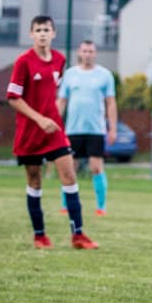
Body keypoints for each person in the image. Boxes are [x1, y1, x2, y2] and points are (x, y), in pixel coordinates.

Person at [6, 15, 98, 250]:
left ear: (53, 33)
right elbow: (13, 98)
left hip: (53, 130)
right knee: (34, 181)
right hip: (30, 132)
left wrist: (51, 117)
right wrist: (39, 119)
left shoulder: (59, 59)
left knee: (69, 176)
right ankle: (40, 236)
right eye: (38, 30)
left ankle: (78, 235)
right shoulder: (23, 62)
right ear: (31, 34)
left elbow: (51, 93)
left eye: (46, 30)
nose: (42, 34)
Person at [57, 40, 117, 216]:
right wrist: (54, 124)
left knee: (96, 167)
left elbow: (111, 103)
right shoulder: (70, 75)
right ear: (79, 53)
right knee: (70, 167)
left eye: (91, 51)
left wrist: (112, 129)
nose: (88, 54)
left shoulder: (105, 75)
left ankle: (101, 207)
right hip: (73, 129)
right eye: (85, 51)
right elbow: (61, 101)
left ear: (95, 54)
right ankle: (66, 205)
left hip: (96, 129)